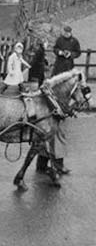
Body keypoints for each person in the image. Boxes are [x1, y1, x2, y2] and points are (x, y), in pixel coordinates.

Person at [36, 26, 80, 175]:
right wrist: (60, 52)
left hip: (68, 66)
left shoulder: (74, 41)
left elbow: (78, 52)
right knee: (57, 135)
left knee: (47, 134)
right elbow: (55, 49)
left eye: (67, 32)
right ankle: (56, 165)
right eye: (64, 32)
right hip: (60, 67)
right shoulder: (60, 40)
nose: (65, 34)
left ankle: (42, 164)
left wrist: (71, 54)